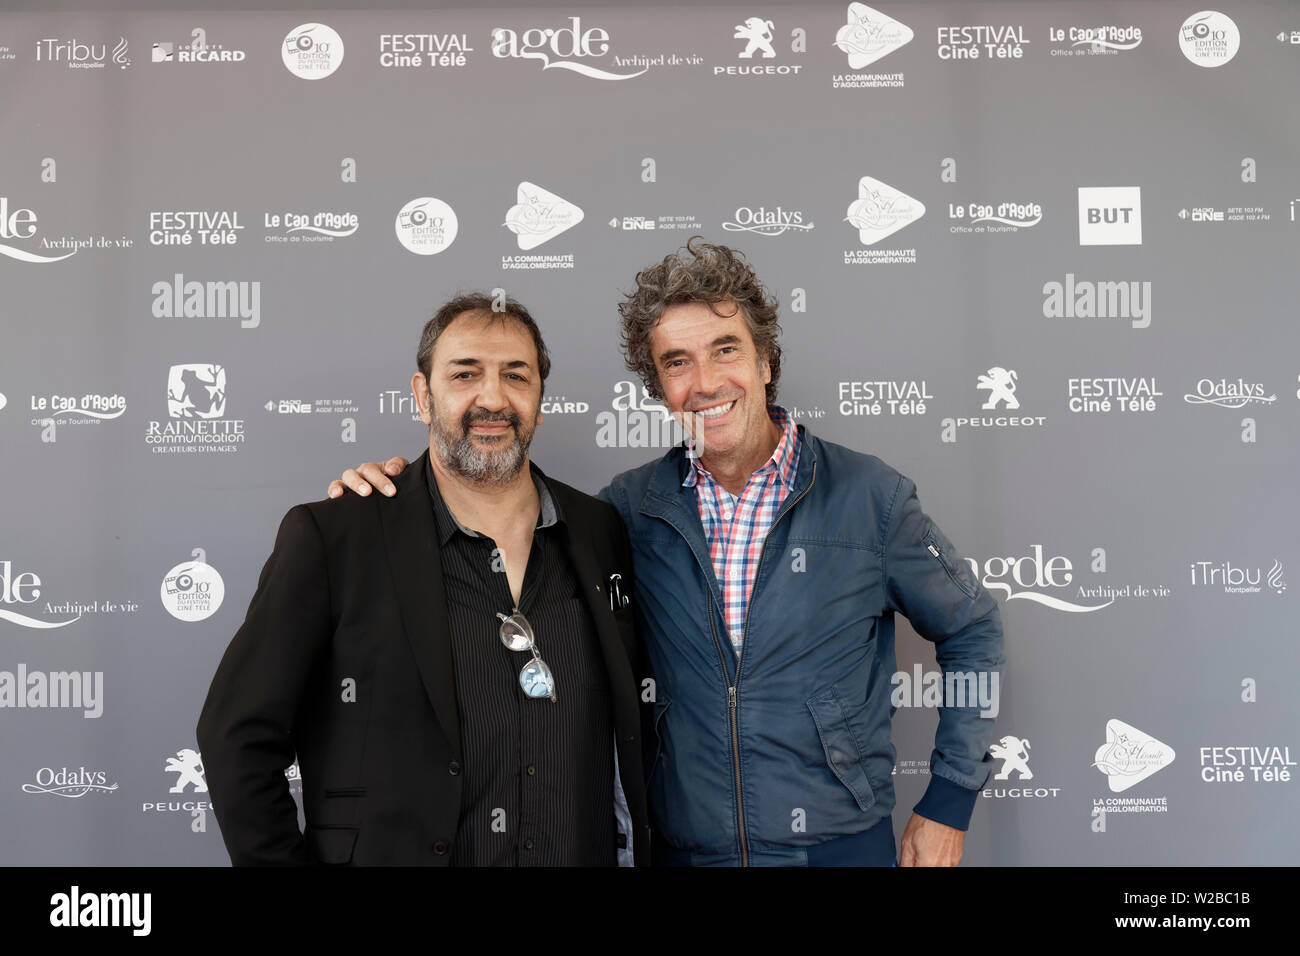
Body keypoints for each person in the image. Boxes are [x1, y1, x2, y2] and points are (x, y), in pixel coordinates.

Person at [330, 240, 1005, 867]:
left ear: (766, 361)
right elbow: (493, 550)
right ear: (657, 387)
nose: (706, 382)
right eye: (677, 363)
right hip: (682, 854)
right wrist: (389, 502)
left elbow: (973, 630)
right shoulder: (622, 513)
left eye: (725, 350)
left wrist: (949, 800)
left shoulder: (870, 499)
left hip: (837, 849)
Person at [198, 293, 649, 866]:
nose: (493, 398)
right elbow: (235, 736)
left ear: (538, 402)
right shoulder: (338, 535)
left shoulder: (599, 530)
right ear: (422, 396)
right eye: (465, 374)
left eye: (517, 375)